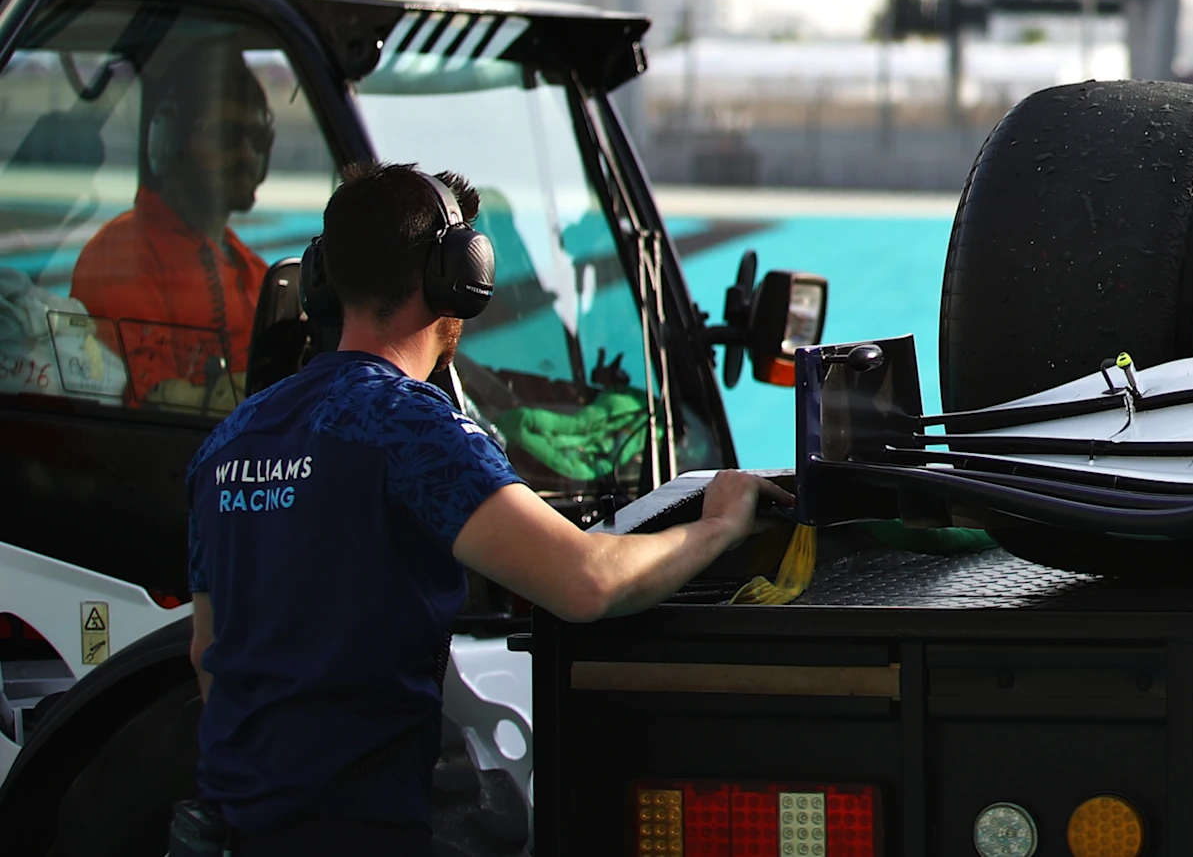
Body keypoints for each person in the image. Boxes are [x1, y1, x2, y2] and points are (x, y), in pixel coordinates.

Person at [186, 163, 785, 855]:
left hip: (238, 830)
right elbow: (586, 582)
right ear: (453, 280)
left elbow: (208, 650)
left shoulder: (232, 437)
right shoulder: (407, 428)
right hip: (360, 829)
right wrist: (719, 523)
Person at [71, 45, 276, 411]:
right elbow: (146, 408)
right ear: (169, 137)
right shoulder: (123, 255)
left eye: (259, 139)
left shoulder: (258, 274)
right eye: (228, 135)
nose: (248, 155)